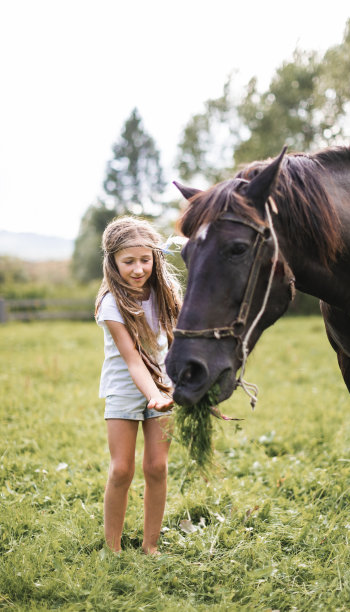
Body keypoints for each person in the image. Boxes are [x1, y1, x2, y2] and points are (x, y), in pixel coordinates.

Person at [95, 216, 182, 554]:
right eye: (128, 261)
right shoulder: (111, 302)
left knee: (157, 466)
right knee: (122, 469)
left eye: (145, 259)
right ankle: (112, 548)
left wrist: (172, 388)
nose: (138, 268)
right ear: (113, 261)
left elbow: (180, 340)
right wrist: (153, 395)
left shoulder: (165, 293)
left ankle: (151, 546)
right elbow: (132, 358)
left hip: (163, 388)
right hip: (126, 390)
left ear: (155, 257)